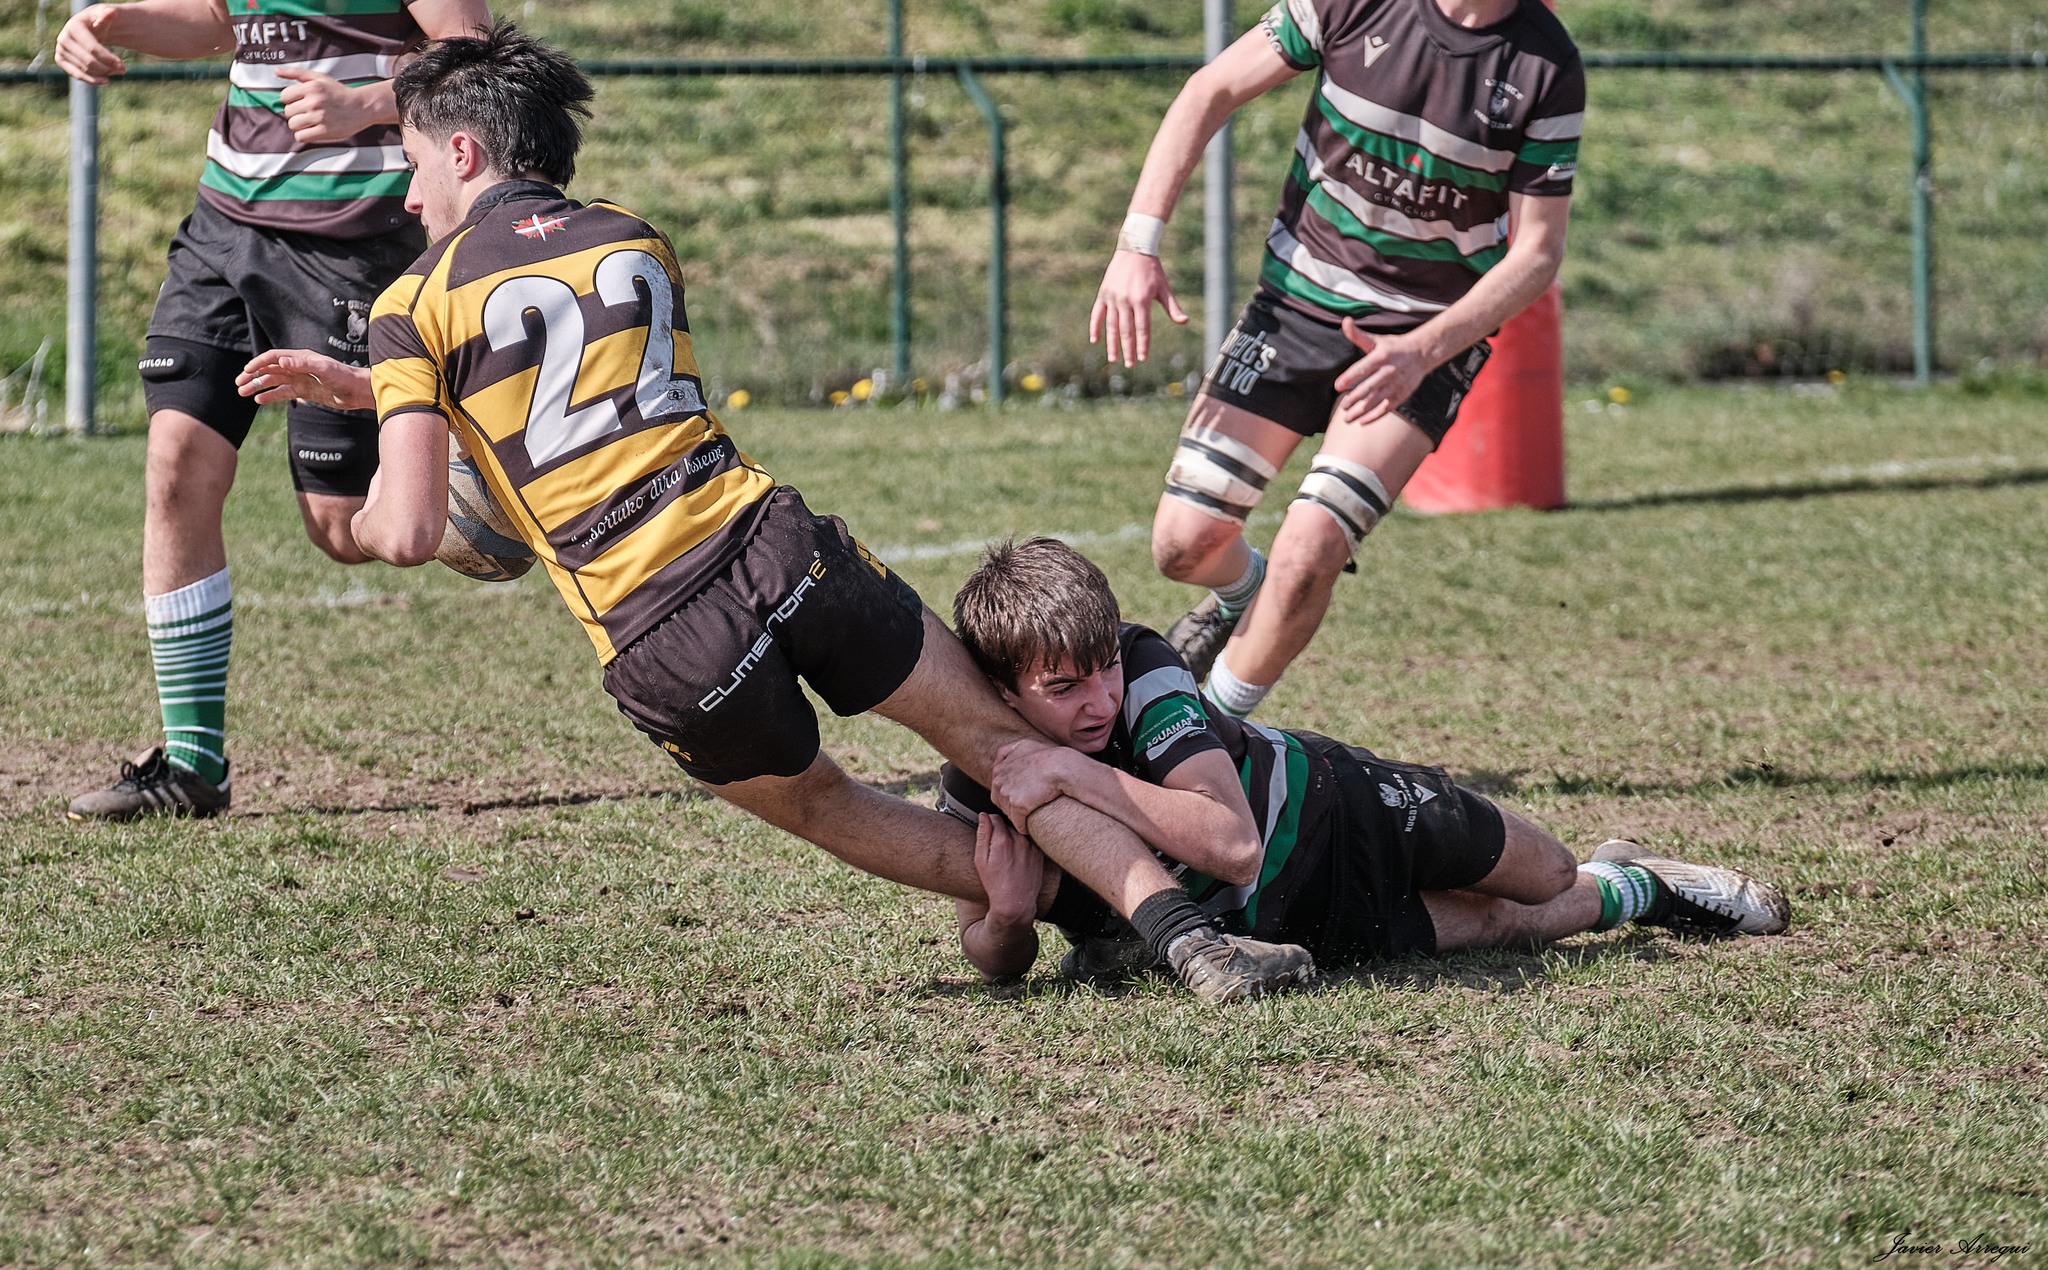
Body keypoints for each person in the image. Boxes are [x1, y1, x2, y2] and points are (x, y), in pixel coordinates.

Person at [237, 25, 1316, 1005]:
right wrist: (376, 386)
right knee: (991, 742)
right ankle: (1184, 939)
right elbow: (579, 391)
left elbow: (421, 526)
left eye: (415, 164)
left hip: (657, 626)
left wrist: (380, 486)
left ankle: (1064, 907)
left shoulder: (409, 304)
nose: (408, 195)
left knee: (827, 804)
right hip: (775, 543)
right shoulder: (632, 238)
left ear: (465, 154)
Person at [938, 538, 1789, 983]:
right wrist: (1008, 921)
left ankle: (1618, 866)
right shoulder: (975, 768)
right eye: (1063, 688)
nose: (1099, 700)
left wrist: (1078, 773)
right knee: (1499, 927)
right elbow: (994, 959)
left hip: (1336, 803)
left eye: (1104, 671)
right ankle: (1642, 891)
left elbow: (1229, 840)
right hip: (1284, 922)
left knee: (1543, 873)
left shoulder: (1149, 666)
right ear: (1004, 693)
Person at [1090, 0, 1584, 719]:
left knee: (1309, 551)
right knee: (1183, 545)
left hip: (1422, 338)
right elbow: (1210, 89)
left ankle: (1213, 733)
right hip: (1295, 305)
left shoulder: (1546, 65)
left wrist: (1423, 350)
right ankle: (1241, 592)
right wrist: (1137, 245)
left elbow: (1538, 251)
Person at [60, 0, 492, 820]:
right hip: (224, 227)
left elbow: (474, 52)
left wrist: (365, 104)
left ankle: (495, 475)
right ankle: (193, 766)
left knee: (343, 530)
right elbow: (220, 24)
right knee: (176, 461)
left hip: (351, 241)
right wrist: (112, 21)